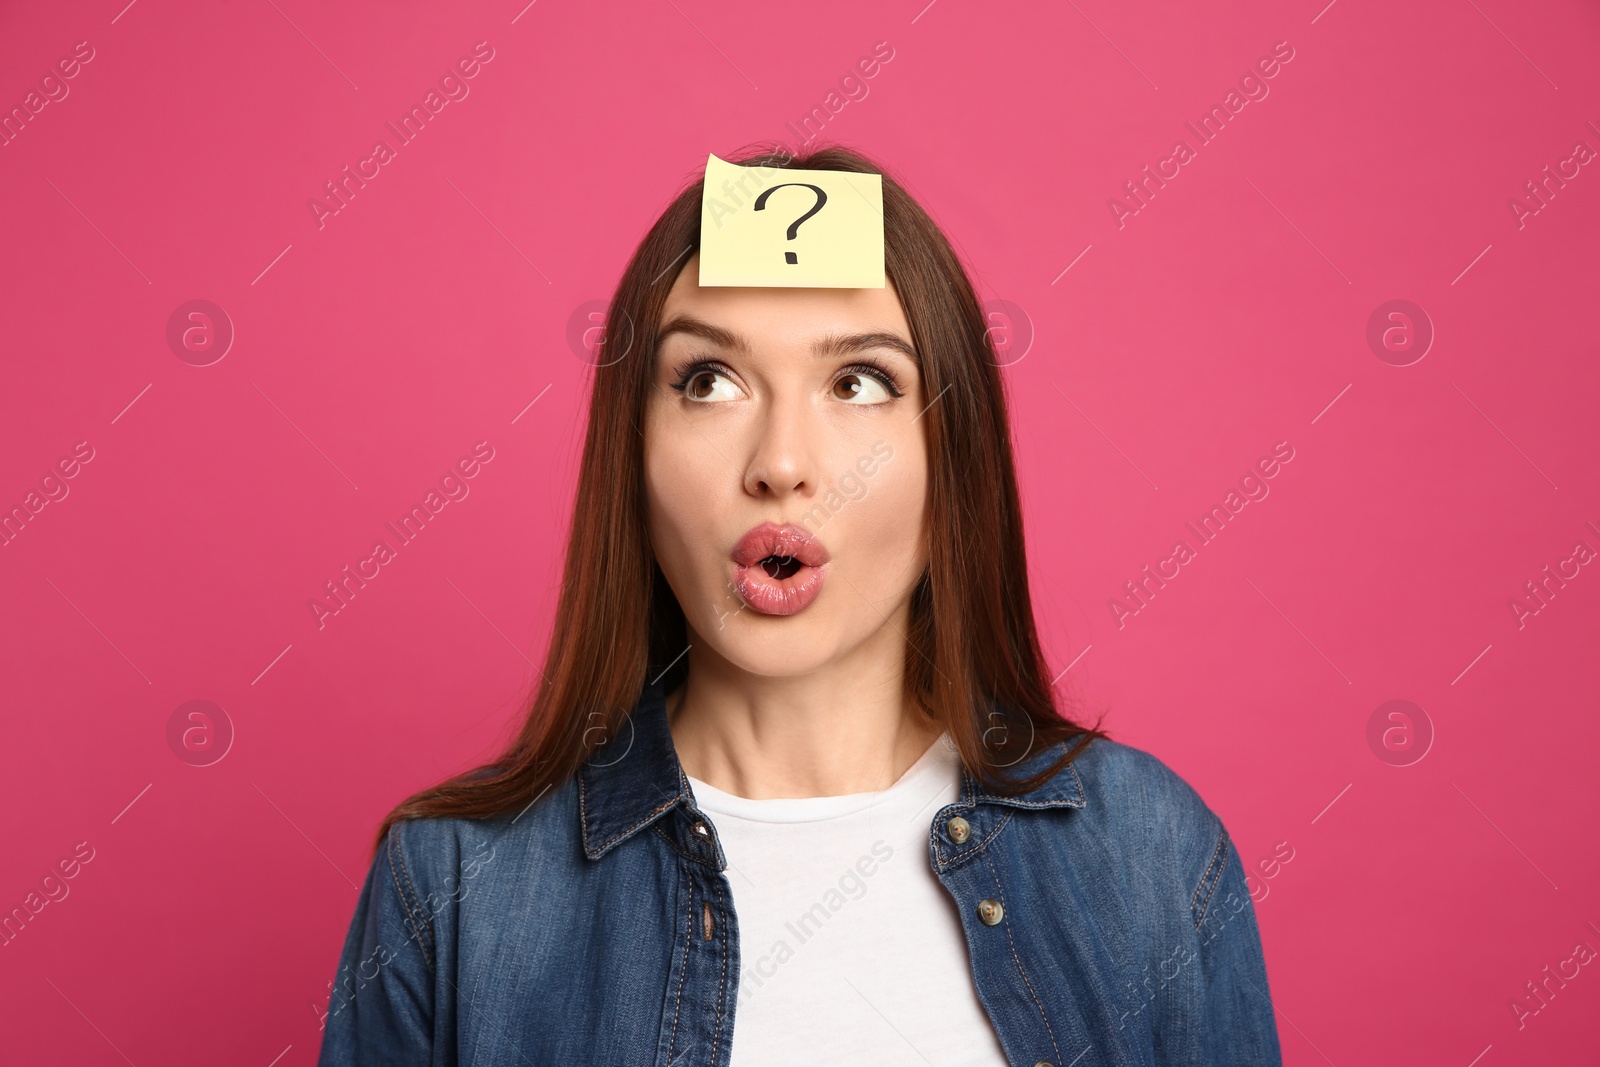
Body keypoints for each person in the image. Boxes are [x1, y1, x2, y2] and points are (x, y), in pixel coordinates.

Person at [316, 145, 1284, 1067]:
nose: (780, 462)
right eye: (708, 380)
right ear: (632, 454)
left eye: (858, 381)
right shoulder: (450, 885)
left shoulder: (1148, 851)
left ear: (955, 458)